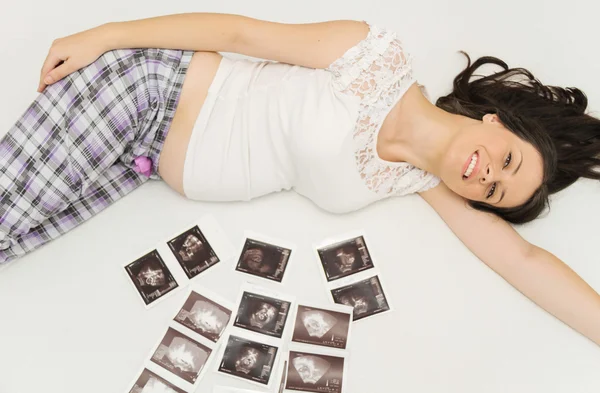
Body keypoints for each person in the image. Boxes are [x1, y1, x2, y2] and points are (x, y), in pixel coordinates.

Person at [1, 13, 599, 346]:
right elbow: (238, 35)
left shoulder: (414, 182)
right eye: (507, 161)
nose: (486, 174)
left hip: (138, 165)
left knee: (11, 244)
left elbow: (523, 261)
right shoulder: (373, 54)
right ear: (497, 121)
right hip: (144, 91)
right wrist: (101, 37)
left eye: (493, 191)